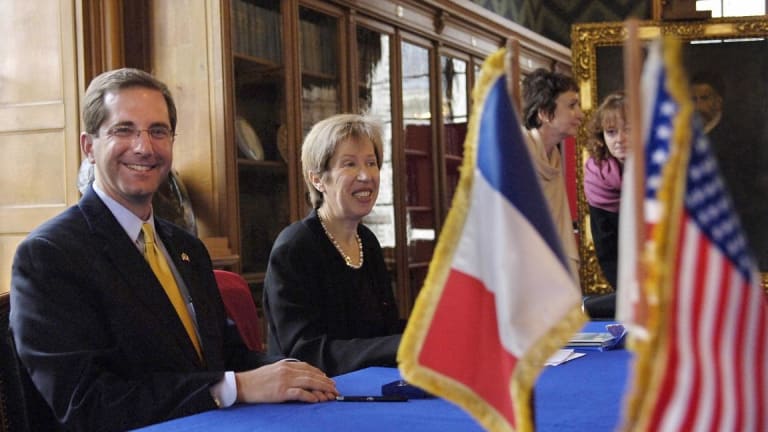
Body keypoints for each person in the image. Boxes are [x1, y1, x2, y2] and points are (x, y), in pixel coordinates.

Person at [10, 68, 337, 431]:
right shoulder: (49, 256)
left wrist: (291, 372)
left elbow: (228, 357)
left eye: (158, 131)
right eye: (124, 130)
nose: (144, 147)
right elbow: (87, 403)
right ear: (89, 147)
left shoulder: (187, 248)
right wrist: (236, 387)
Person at [263, 113, 402, 377]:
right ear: (318, 179)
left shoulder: (367, 241)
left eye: (371, 163)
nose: (366, 175)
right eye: (349, 164)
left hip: (371, 384)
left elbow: (387, 330)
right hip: (314, 393)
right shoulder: (295, 248)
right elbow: (306, 352)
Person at [521, 68, 584, 283]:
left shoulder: (553, 156)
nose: (580, 114)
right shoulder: (518, 152)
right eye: (572, 105)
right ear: (545, 114)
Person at [581, 93, 628, 319]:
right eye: (611, 132)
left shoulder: (662, 168)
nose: (619, 139)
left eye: (628, 130)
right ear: (601, 136)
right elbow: (606, 248)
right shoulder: (596, 176)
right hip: (625, 276)